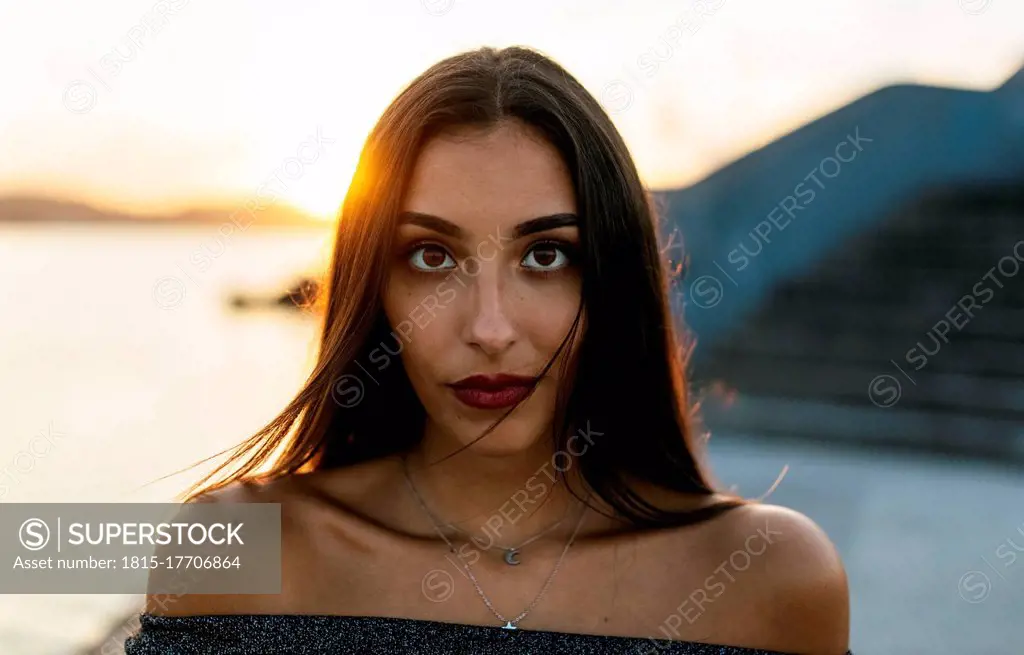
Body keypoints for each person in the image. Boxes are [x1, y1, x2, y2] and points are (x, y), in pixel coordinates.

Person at [125, 45, 850, 654]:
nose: (490, 328)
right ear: (372, 283)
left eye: (545, 256)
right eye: (432, 256)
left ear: (611, 276)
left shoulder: (768, 574)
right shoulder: (238, 549)